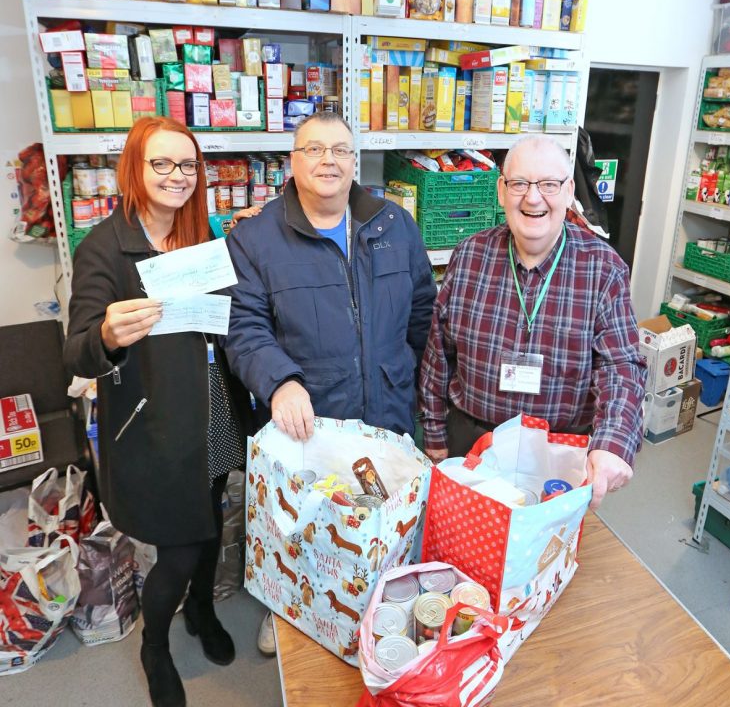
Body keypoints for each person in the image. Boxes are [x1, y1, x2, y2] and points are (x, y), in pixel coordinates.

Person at [224, 111, 436, 654]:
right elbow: (244, 327)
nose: (328, 161)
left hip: (386, 408)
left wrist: (405, 372)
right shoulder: (255, 238)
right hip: (310, 420)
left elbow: (422, 310)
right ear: (292, 163)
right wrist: (279, 383)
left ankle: (379, 607)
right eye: (314, 149)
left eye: (340, 150)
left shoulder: (394, 225)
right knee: (306, 525)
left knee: (381, 513)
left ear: (354, 162)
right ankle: (288, 610)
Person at [63, 116, 255, 707]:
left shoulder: (199, 234)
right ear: (134, 169)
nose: (178, 176)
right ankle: (155, 646)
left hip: (212, 405)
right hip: (155, 420)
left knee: (210, 515)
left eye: (188, 165)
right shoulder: (104, 246)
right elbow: (76, 351)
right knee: (179, 546)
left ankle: (201, 608)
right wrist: (107, 334)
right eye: (162, 163)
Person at [419, 134, 646, 510]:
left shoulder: (603, 269)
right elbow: (438, 354)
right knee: (464, 543)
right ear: (501, 191)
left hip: (557, 456)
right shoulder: (469, 255)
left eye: (549, 184)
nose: (533, 198)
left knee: (543, 547)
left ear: (569, 191)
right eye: (520, 183)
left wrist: (613, 442)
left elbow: (621, 366)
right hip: (471, 446)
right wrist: (435, 434)